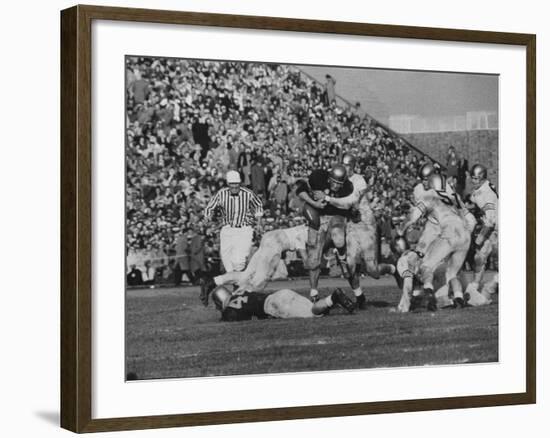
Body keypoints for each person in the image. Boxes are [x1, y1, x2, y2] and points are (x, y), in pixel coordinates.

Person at [399, 173, 472, 311]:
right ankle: (458, 298)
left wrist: (401, 229)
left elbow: (413, 216)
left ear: (432, 184)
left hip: (450, 233)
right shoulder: (453, 196)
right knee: (452, 273)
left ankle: (429, 294)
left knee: (426, 267)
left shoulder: (429, 195)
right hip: (465, 235)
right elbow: (468, 217)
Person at [200, 224, 309, 299]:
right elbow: (305, 257)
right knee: (260, 280)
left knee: (246, 275)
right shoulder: (307, 232)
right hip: (276, 242)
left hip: (269, 237)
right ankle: (236, 301)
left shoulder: (304, 228)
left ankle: (212, 281)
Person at [296, 164, 353, 302]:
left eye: (340, 183)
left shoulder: (347, 187)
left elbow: (345, 205)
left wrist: (327, 198)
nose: (336, 186)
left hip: (336, 217)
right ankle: (314, 293)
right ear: (329, 178)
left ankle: (341, 256)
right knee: (313, 260)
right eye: (334, 182)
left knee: (338, 238)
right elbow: (301, 190)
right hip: (318, 218)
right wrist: (314, 203)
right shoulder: (318, 176)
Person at [203, 170, 263, 274]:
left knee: (239, 260)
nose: (235, 188)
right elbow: (210, 207)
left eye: (237, 186)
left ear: (240, 184)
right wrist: (208, 217)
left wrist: (258, 223)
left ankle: (239, 280)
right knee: (226, 258)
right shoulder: (221, 193)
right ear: (228, 184)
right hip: (227, 229)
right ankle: (236, 281)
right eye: (232, 186)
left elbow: (258, 205)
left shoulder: (248, 193)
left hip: (244, 229)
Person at [203, 285, 355, 321]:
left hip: (274, 305)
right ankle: (332, 301)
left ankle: (334, 297)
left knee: (313, 313)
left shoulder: (230, 310)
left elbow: (233, 316)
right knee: (315, 310)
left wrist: (222, 317)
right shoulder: (240, 291)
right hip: (281, 293)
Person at [467, 163, 499, 290]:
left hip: (497, 227)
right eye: (472, 178)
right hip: (492, 227)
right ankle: (475, 285)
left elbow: (490, 220)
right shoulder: (479, 191)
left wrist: (480, 237)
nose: (473, 181)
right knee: (479, 257)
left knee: (498, 259)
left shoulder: (487, 193)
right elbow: (472, 202)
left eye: (476, 178)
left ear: (482, 178)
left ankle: (494, 284)